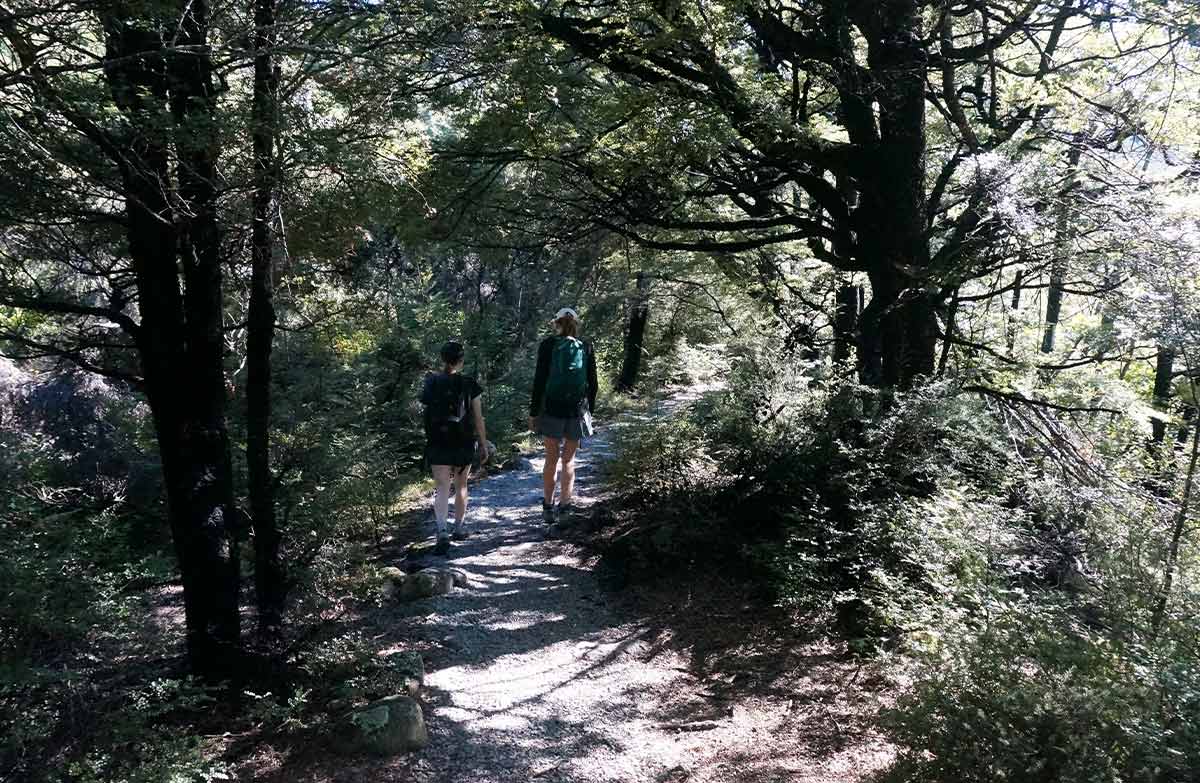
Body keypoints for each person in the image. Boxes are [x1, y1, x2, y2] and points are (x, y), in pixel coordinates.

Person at [529, 307, 598, 535]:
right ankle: (565, 507)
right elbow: (593, 385)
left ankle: (547, 506)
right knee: (568, 461)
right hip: (576, 411)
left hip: (551, 410)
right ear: (576, 324)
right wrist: (589, 413)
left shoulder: (548, 345)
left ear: (556, 323)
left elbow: (539, 380)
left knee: (551, 459)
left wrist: (534, 412)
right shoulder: (586, 347)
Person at [421, 341, 488, 555]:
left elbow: (424, 411)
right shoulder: (469, 383)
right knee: (461, 484)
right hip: (463, 440)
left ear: (442, 359)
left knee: (441, 487)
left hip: (438, 440)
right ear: (461, 360)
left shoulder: (431, 382)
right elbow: (478, 417)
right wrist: (484, 443)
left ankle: (441, 531)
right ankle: (458, 528)